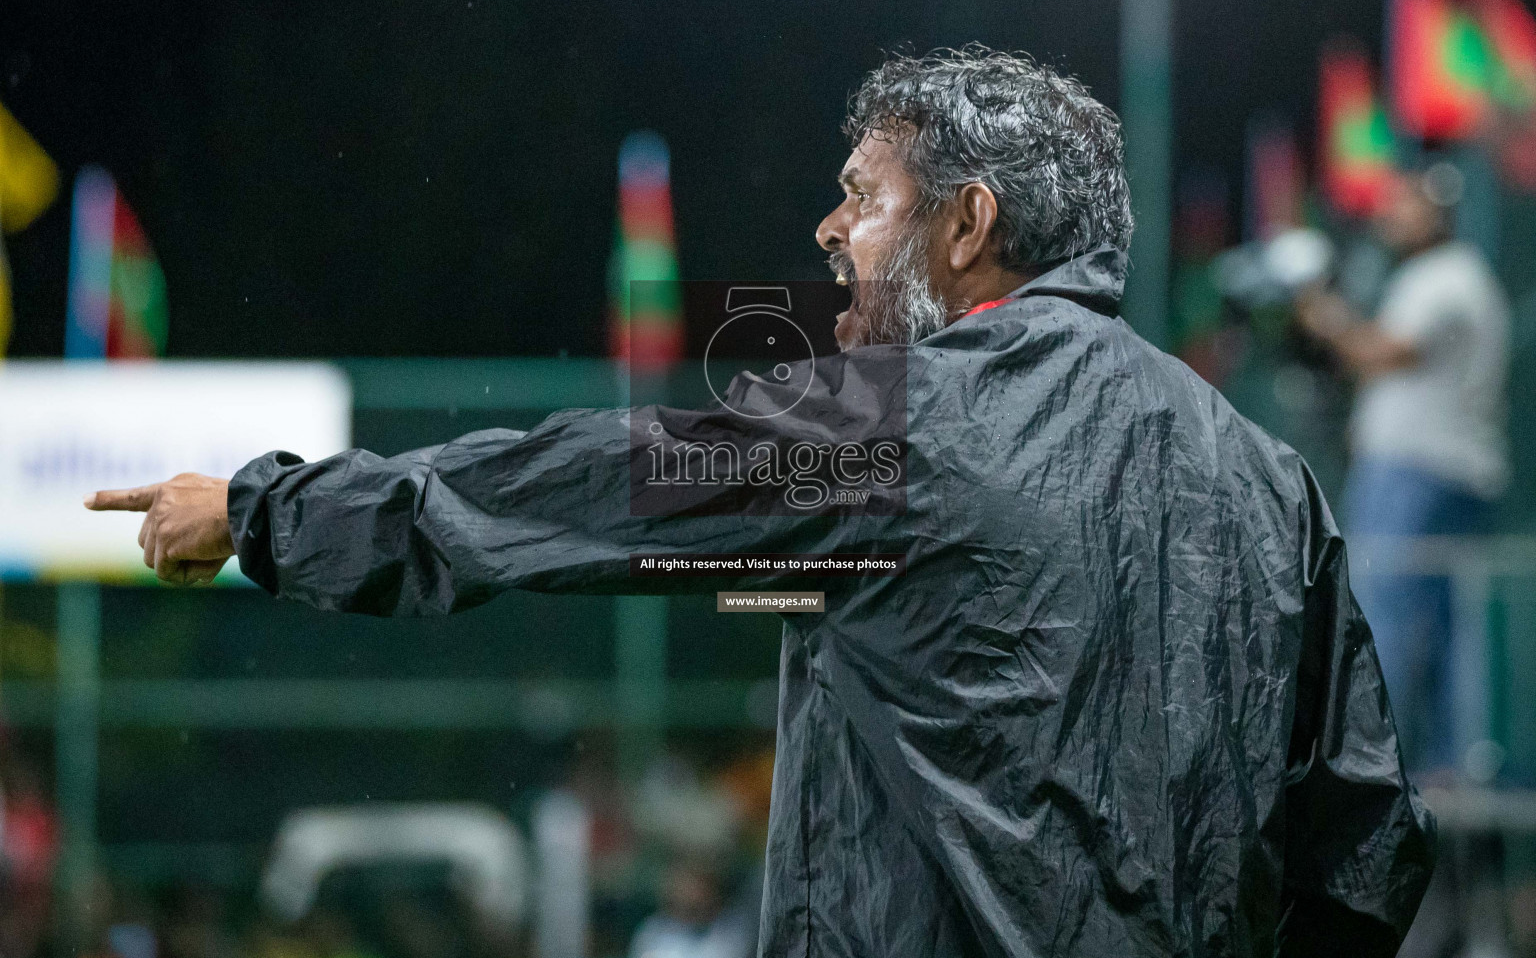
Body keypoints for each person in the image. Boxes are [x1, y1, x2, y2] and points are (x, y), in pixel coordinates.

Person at [86, 47, 1432, 957]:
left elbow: (570, 490)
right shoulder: (1268, 478)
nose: (826, 232)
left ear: (967, 225)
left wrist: (269, 513)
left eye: (861, 197)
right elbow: (1369, 849)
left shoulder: (895, 422)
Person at [1295, 161, 1510, 776]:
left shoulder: (1449, 276)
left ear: (1436, 210)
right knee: (1440, 640)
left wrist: (1317, 311)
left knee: (1388, 628)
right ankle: (1438, 778)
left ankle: (1378, 774)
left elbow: (1383, 351)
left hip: (1420, 475)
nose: (1391, 213)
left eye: (1406, 202)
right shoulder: (1437, 275)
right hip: (1439, 475)